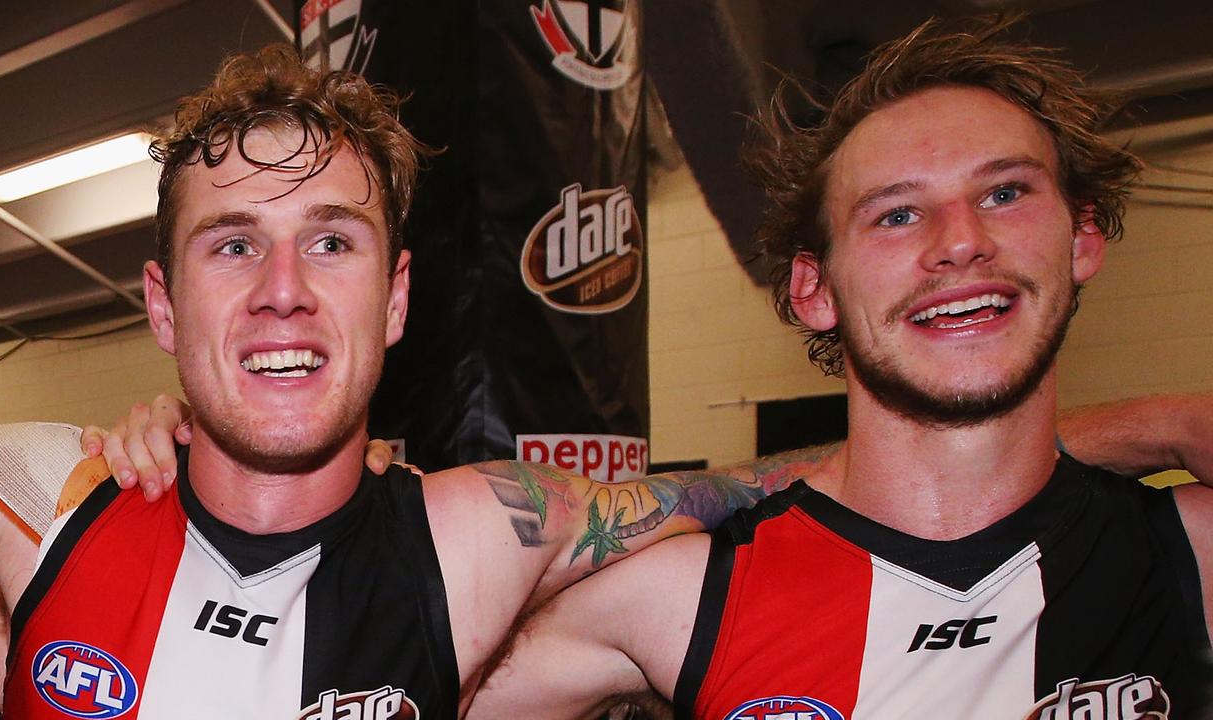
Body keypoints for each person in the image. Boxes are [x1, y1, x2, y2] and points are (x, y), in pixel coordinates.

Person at [0, 31, 1209, 720]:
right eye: (232, 246)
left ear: (395, 301)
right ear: (161, 303)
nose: (281, 289)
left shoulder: (482, 536)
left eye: (331, 240)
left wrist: (1136, 427)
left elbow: (753, 492)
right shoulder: (40, 496)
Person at [461, 17, 1212, 719]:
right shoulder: (676, 597)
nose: (960, 240)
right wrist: (1156, 425)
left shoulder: (1191, 552)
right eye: (896, 213)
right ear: (813, 289)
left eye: (1005, 192)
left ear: (1082, 237)